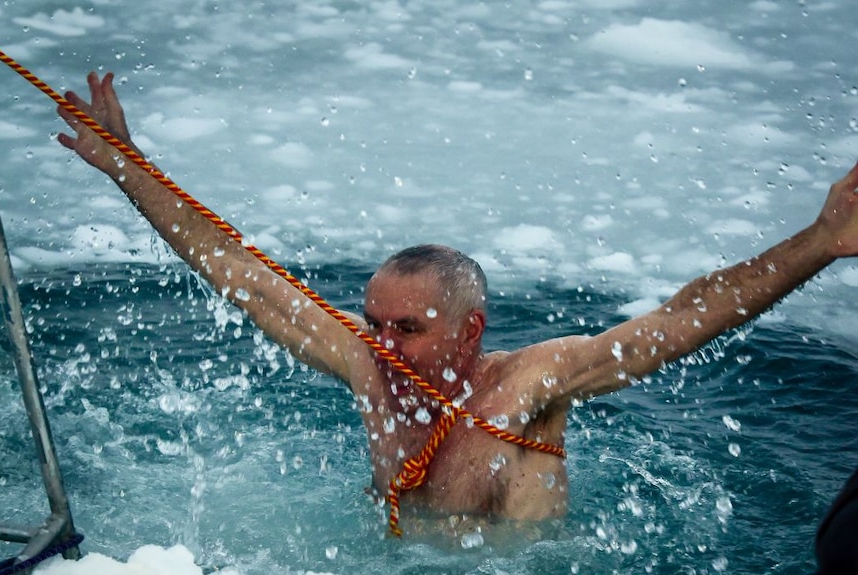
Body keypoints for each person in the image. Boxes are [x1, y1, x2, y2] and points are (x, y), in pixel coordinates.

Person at [56, 72, 858, 533]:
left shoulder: (533, 382)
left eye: (408, 327)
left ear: (472, 329)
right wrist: (127, 166)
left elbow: (681, 321)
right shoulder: (370, 367)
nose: (382, 342)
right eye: (373, 321)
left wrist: (820, 239)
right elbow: (242, 273)